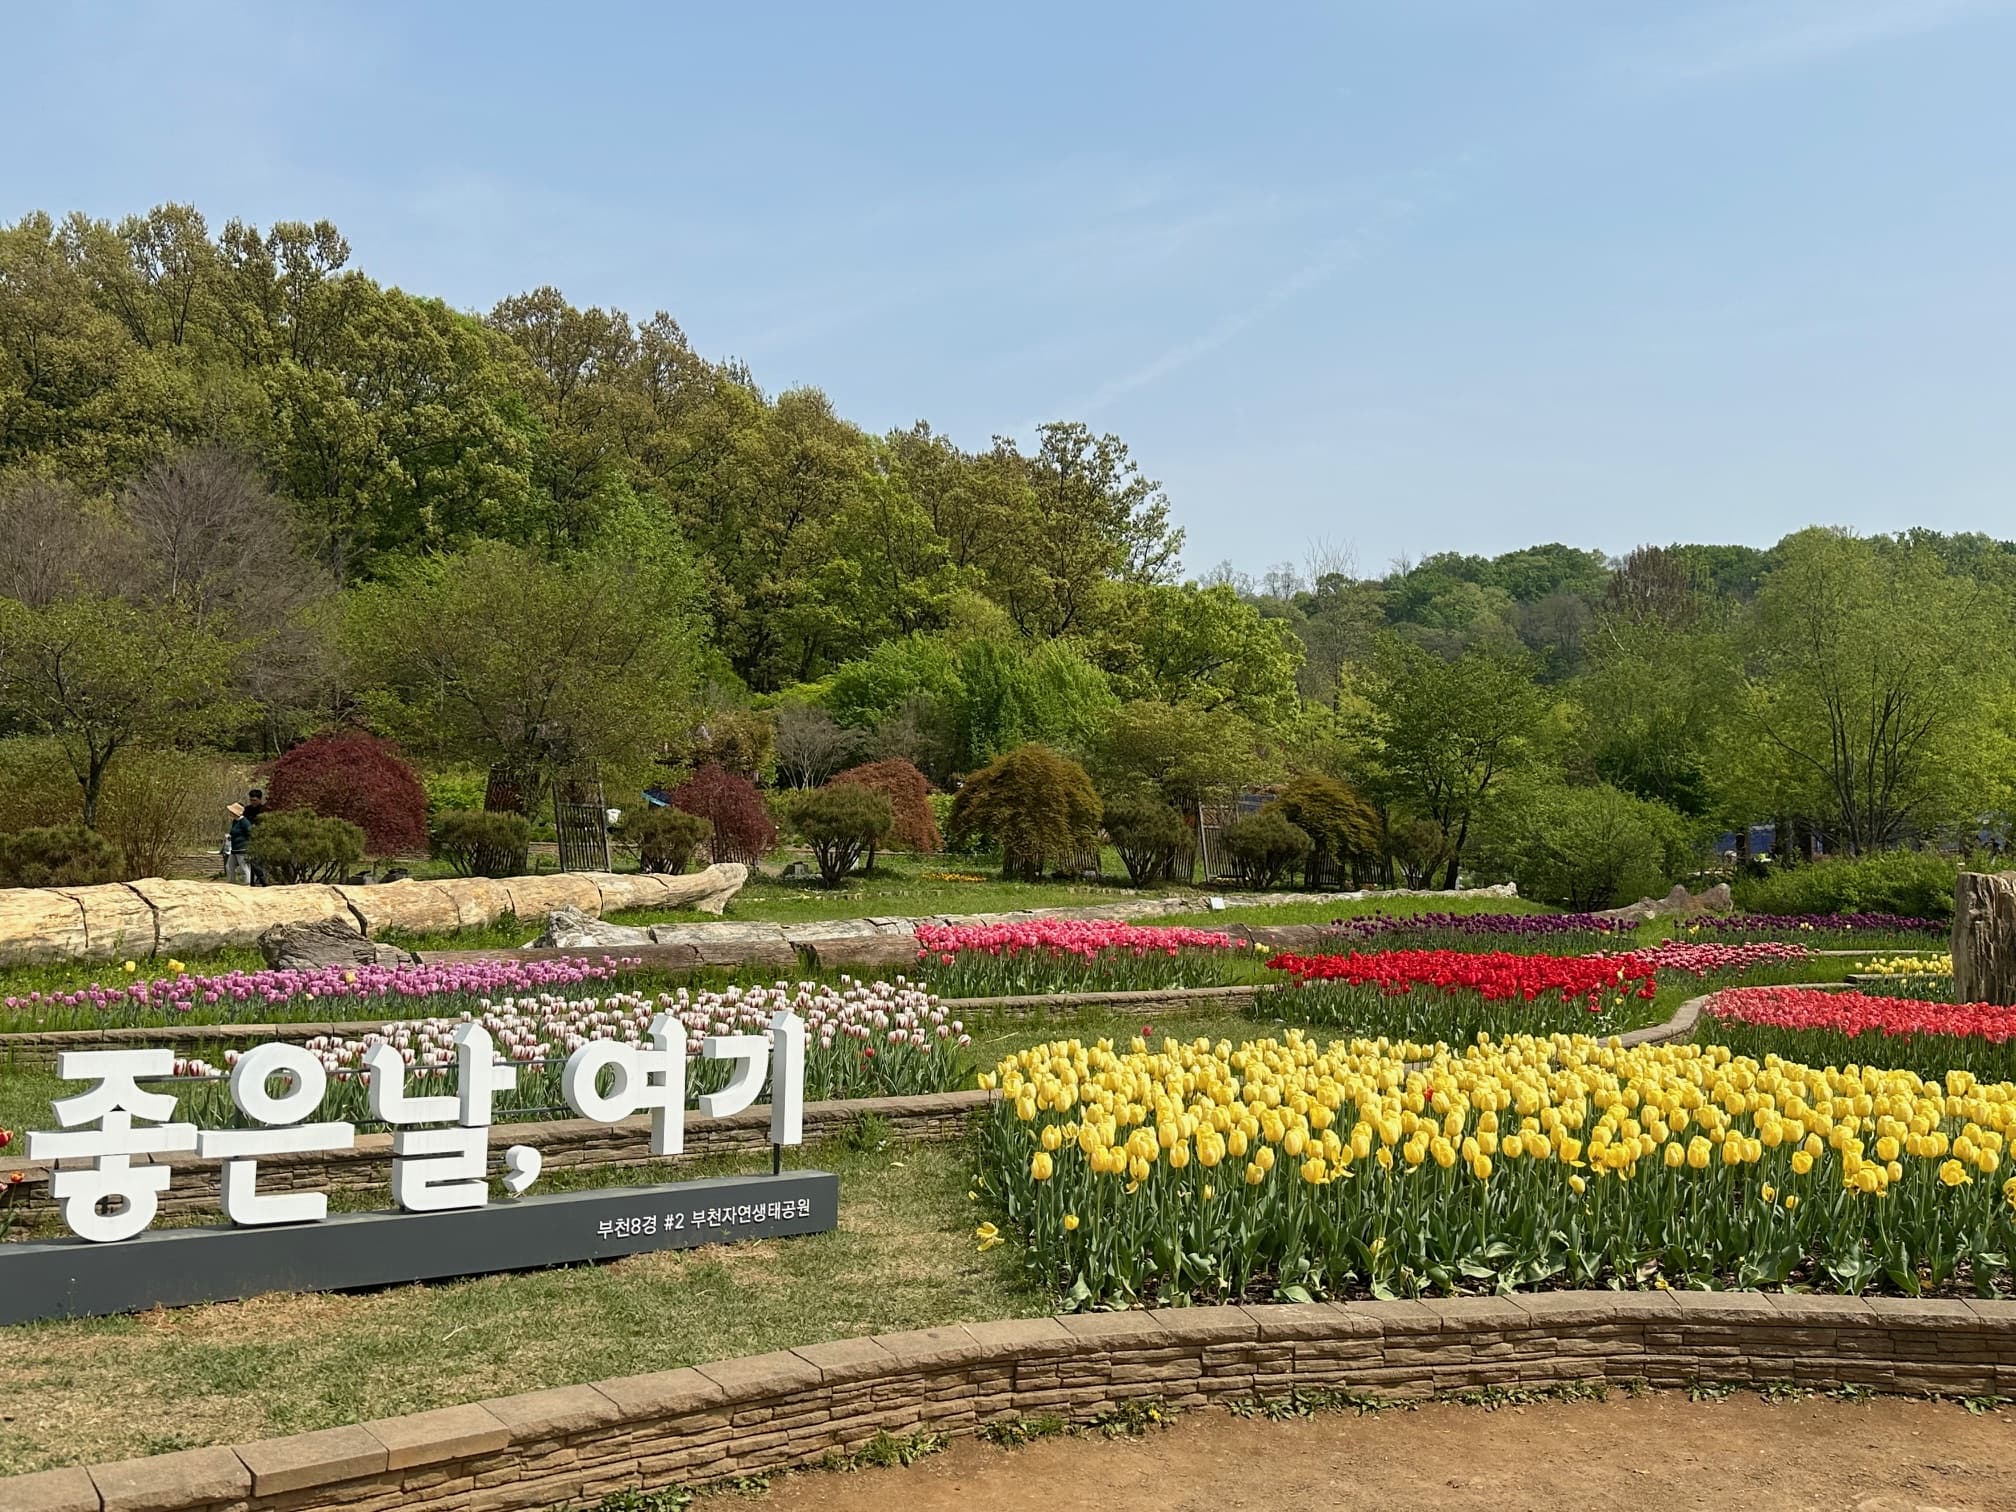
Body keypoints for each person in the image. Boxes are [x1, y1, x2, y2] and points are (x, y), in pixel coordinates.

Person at [243, 789, 268, 885]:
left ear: (260, 799)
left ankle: (263, 881)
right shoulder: (247, 810)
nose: (252, 802)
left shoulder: (264, 810)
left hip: (261, 838)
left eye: (255, 800)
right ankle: (252, 882)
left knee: (259, 861)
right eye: (251, 800)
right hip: (249, 838)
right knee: (251, 861)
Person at [225, 802, 253, 885]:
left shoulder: (245, 822)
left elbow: (250, 833)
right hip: (234, 848)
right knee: (229, 866)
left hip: (243, 849)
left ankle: (247, 883)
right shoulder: (235, 821)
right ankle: (231, 882)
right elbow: (234, 832)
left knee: (244, 868)